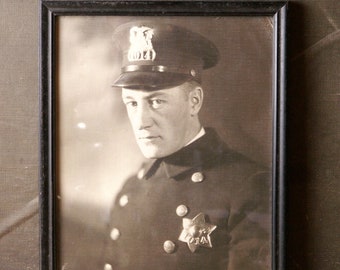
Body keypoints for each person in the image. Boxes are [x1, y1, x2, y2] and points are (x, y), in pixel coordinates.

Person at [103, 21, 270, 270]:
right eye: (132, 103)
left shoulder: (248, 186)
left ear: (194, 101)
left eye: (156, 101)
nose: (141, 122)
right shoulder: (131, 190)